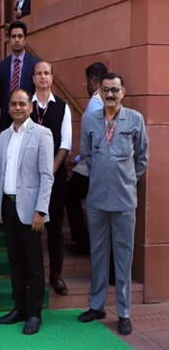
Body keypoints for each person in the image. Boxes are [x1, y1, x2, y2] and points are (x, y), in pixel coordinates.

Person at [78, 73, 148, 336]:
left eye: (114, 90)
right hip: (96, 199)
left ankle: (124, 312)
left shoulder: (135, 120)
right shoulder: (90, 119)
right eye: (105, 90)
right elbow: (87, 154)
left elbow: (141, 159)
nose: (110, 94)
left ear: (123, 92)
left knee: (123, 256)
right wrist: (103, 177)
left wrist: (124, 178)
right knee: (98, 255)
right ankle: (96, 306)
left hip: (124, 200)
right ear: (100, 92)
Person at [0, 89, 54, 335]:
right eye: (13, 104)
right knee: (15, 261)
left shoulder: (42, 134)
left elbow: (47, 176)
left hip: (30, 210)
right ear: (8, 108)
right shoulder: (4, 136)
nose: (17, 108)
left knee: (33, 264)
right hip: (7, 205)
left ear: (30, 107)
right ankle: (19, 307)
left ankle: (35, 313)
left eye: (22, 104)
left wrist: (41, 210)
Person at [30, 61, 72, 296]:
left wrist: (50, 171)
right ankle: (34, 275)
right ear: (34, 78)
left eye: (47, 73)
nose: (43, 77)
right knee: (32, 229)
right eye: (39, 73)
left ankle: (56, 275)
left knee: (55, 227)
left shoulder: (62, 107)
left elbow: (65, 144)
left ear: (52, 78)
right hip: (29, 180)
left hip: (55, 179)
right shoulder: (27, 105)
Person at [65, 62, 108, 256]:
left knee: (70, 196)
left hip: (91, 165)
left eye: (87, 82)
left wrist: (82, 158)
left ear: (93, 81)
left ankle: (83, 242)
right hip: (95, 163)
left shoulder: (95, 103)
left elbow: (94, 137)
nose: (86, 86)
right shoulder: (107, 100)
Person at [0, 20, 40, 130]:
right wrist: (11, 107)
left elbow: (36, 91)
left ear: (25, 40)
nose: (17, 40)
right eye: (13, 36)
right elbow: (0, 94)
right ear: (9, 40)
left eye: (20, 36)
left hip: (29, 118)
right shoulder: (1, 66)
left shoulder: (35, 64)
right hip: (7, 119)